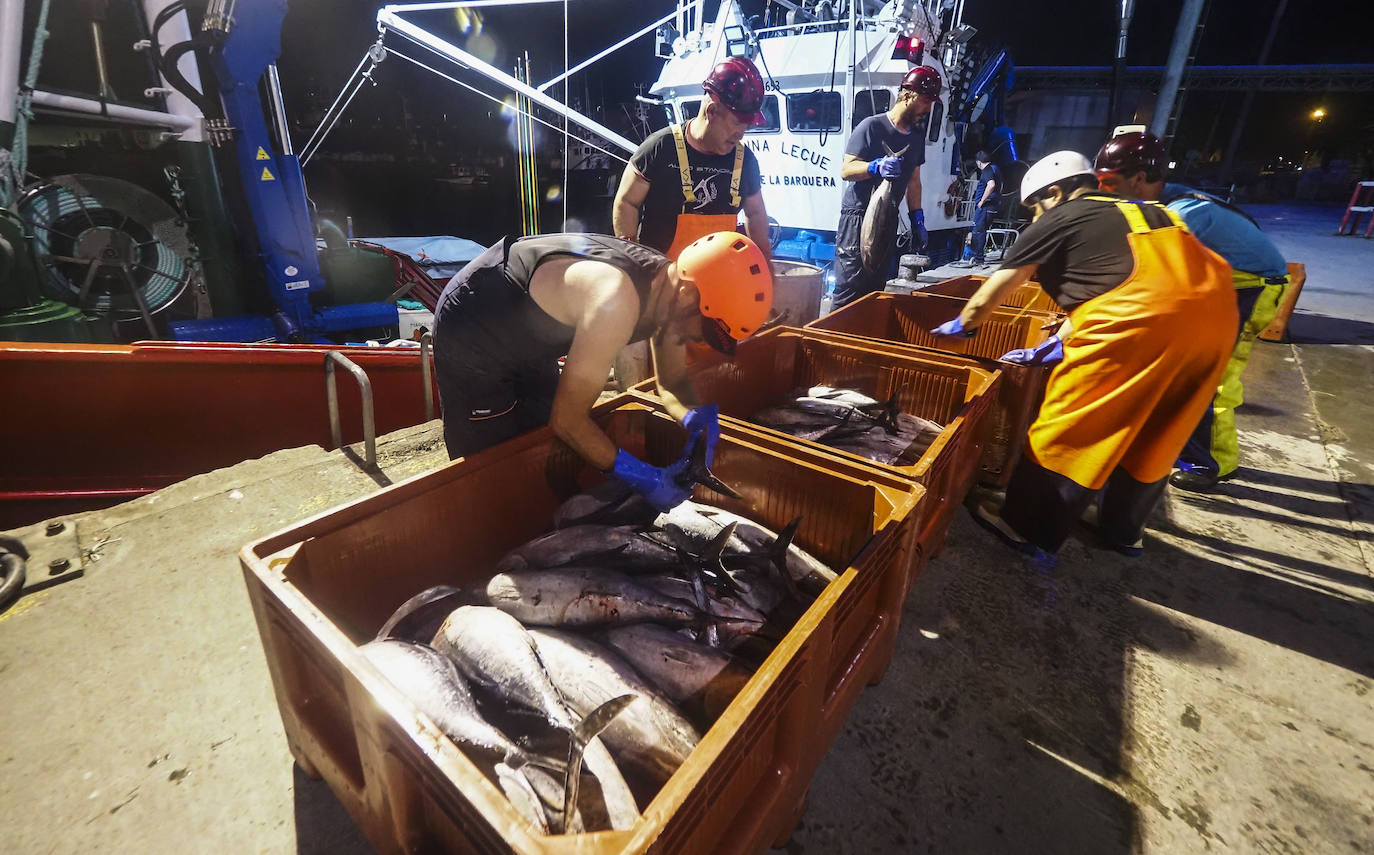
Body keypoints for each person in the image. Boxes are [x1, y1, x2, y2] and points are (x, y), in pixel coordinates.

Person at [931, 151, 1237, 563]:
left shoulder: (1061, 216)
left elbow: (994, 290)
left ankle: (1026, 528)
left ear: (1054, 193)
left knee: (1067, 428)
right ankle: (1123, 531)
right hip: (1217, 322)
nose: (1034, 218)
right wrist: (1061, 339)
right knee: (1159, 433)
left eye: (1034, 208)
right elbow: (1139, 283)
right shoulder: (1152, 212)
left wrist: (965, 326)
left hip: (1135, 326)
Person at [433, 231, 773, 510]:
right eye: (707, 331)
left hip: (532, 334)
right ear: (688, 295)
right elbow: (568, 419)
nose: (699, 339)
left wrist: (691, 417)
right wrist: (643, 477)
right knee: (488, 472)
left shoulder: (669, 290)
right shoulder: (616, 300)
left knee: (537, 447)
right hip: (475, 325)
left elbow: (670, 381)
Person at [1094, 130, 1290, 492]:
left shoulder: (1183, 213)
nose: (1105, 191)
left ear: (1138, 179)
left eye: (1110, 182)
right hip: (1225, 281)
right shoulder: (1159, 202)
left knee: (1209, 379)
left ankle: (1210, 463)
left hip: (1251, 287)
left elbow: (1157, 273)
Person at [613, 56, 771, 261]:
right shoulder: (660, 148)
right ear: (711, 111)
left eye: (746, 126)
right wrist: (633, 260)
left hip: (718, 279)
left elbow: (756, 214)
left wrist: (765, 263)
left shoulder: (746, 161)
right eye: (737, 123)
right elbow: (626, 202)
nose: (741, 134)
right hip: (661, 280)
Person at [832, 65, 941, 308]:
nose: (928, 108)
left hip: (888, 215)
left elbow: (914, 181)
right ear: (908, 94)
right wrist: (874, 168)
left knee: (875, 287)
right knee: (849, 287)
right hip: (859, 216)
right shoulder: (871, 126)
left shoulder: (916, 137)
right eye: (925, 100)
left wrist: (918, 219)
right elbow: (846, 170)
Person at [952, 150, 1001, 269]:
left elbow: (991, 185)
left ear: (979, 162)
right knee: (980, 231)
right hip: (992, 206)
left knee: (978, 232)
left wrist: (981, 201)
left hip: (985, 207)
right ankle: (976, 256)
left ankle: (978, 258)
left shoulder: (987, 171)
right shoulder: (996, 169)